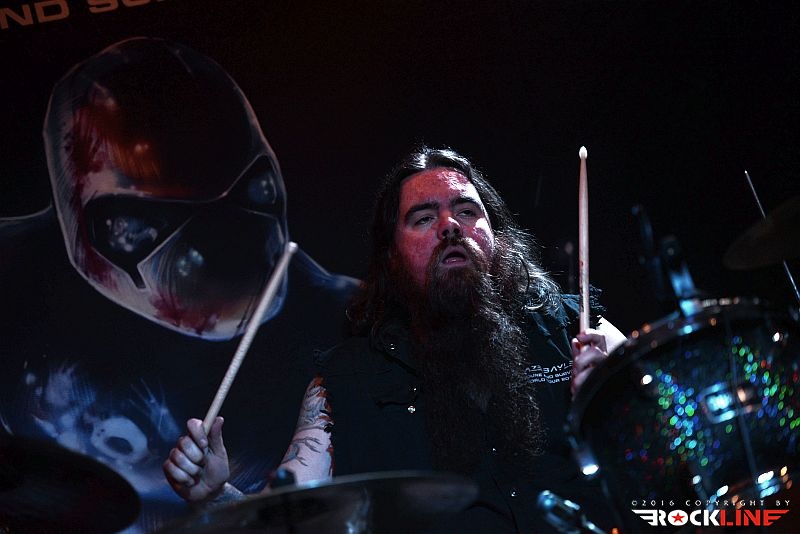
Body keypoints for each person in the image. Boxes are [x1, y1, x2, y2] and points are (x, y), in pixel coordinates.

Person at [164, 147, 626, 531]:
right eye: (423, 218)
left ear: (496, 238)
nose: (450, 225)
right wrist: (213, 495)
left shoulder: (578, 328)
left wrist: (624, 405)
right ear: (392, 257)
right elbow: (288, 519)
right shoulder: (344, 382)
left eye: (467, 211)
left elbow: (668, 454)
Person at [0, 37, 357, 532]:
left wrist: (215, 496)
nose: (211, 250)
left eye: (250, 193)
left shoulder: (340, 320)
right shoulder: (13, 275)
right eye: (135, 227)